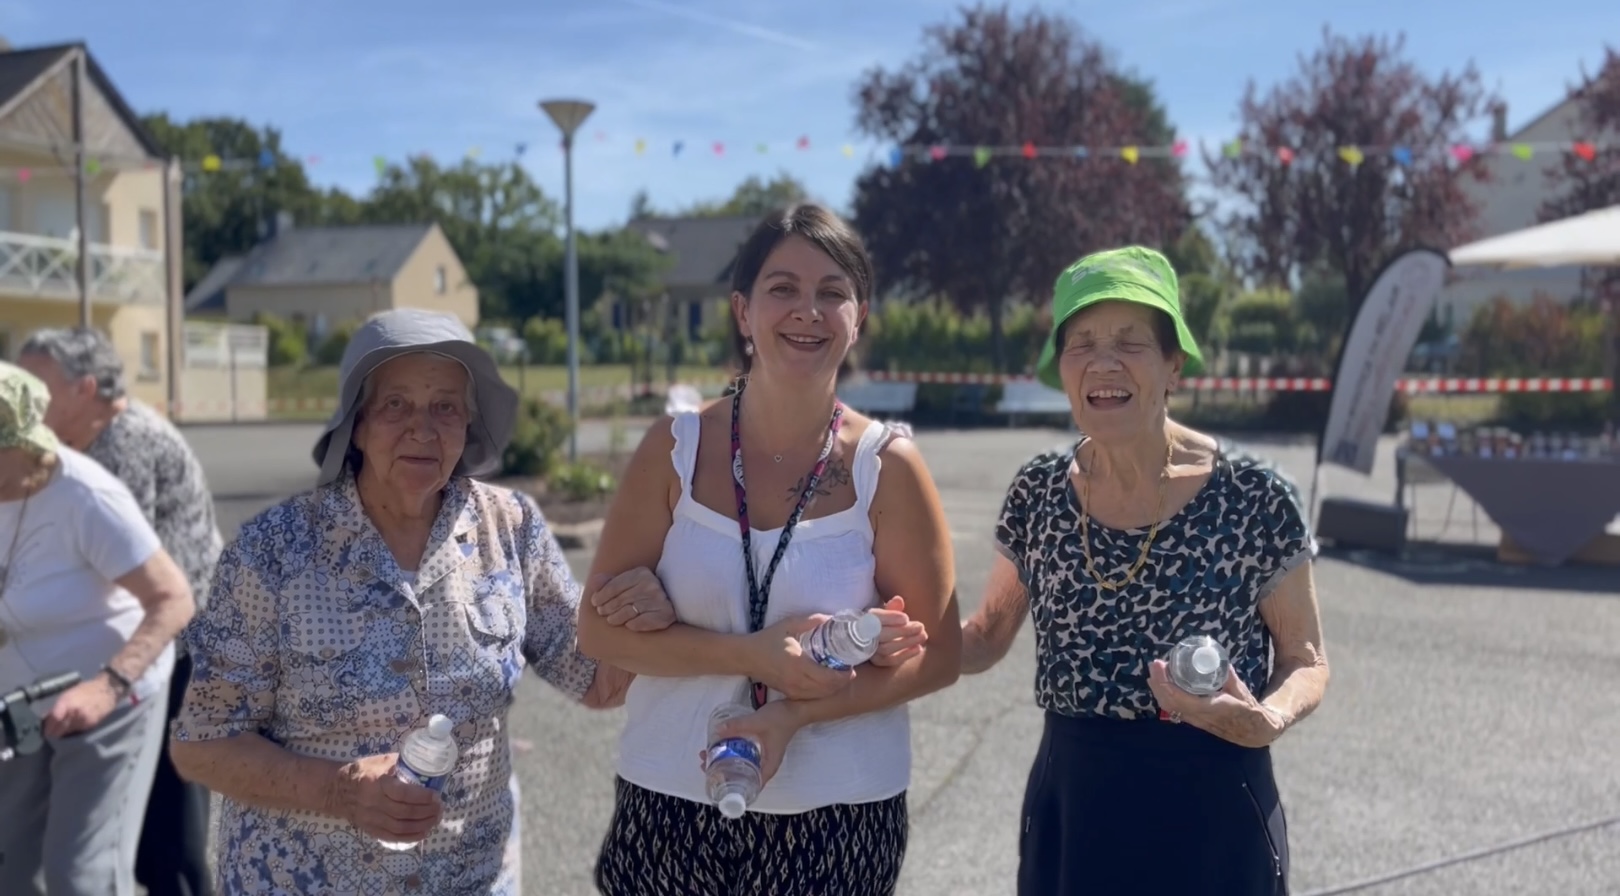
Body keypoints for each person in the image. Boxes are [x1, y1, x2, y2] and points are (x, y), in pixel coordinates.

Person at [168, 308, 677, 895]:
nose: (423, 429)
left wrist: (645, 611)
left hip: (471, 880)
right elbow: (202, 744)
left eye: (445, 408)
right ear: (357, 425)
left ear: (467, 426)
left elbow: (598, 681)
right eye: (396, 405)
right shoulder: (272, 553)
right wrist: (339, 790)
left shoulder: (511, 529)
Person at [578, 203, 960, 896]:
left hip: (838, 815)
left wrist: (792, 713)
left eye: (832, 292)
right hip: (668, 801)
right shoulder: (674, 449)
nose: (807, 311)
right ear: (742, 310)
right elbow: (598, 632)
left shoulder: (887, 466)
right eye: (783, 288)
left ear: (859, 317)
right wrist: (752, 655)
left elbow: (938, 654)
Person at [935, 247, 1329, 895]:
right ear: (1063, 369)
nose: (1104, 362)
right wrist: (888, 641)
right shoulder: (1039, 491)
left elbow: (1306, 659)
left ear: (1174, 365)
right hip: (1076, 810)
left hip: (1214, 807)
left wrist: (1269, 718)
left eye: (1130, 342)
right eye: (1082, 343)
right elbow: (983, 638)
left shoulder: (1254, 495)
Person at [18, 326, 224, 896]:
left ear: (85, 388)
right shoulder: (94, 442)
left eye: (36, 384)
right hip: (154, 646)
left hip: (177, 649)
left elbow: (118, 572)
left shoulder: (124, 444)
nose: (25, 398)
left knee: (170, 823)